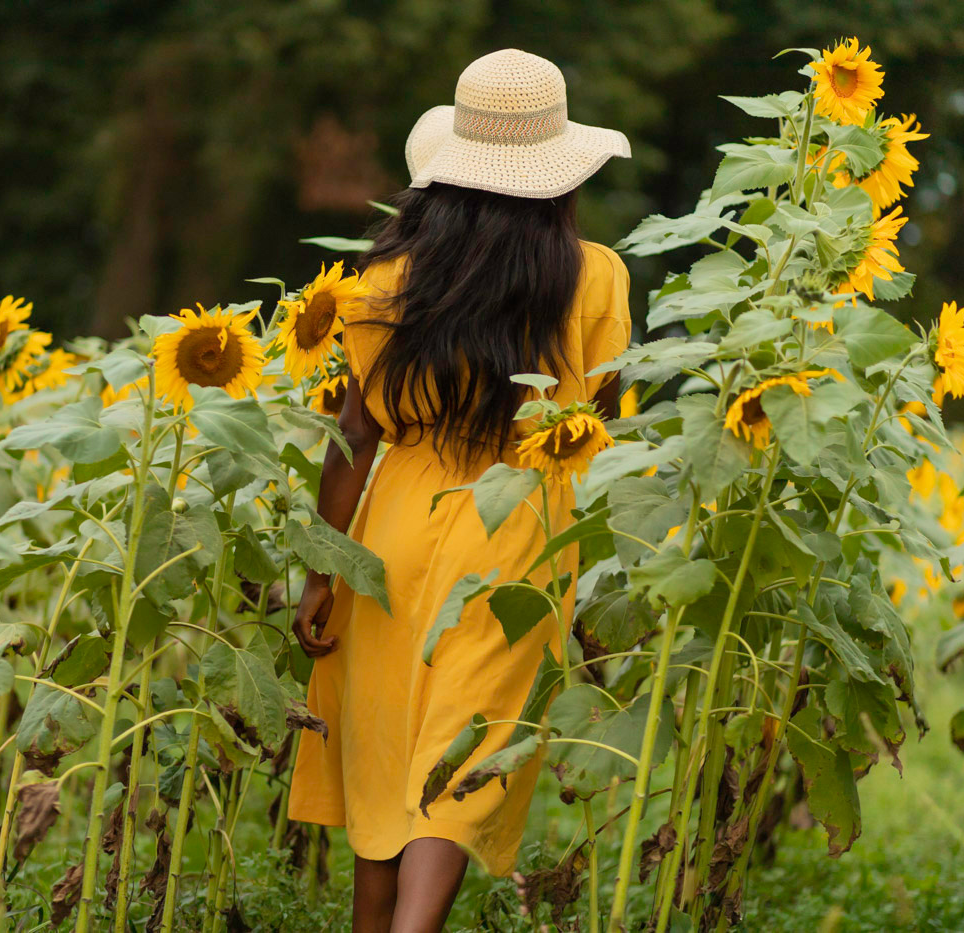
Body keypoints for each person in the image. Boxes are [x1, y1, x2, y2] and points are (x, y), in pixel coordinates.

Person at [287, 48, 633, 933]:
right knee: (464, 751)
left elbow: (352, 440)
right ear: (557, 173)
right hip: (521, 528)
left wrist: (321, 574)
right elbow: (603, 427)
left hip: (390, 532)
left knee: (384, 762)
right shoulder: (594, 277)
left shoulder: (382, 283)